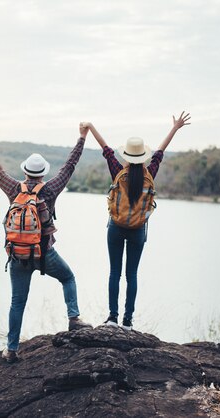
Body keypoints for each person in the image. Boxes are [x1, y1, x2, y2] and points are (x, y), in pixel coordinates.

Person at [0, 123, 93, 363]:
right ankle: (74, 319)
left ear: (25, 172)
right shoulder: (51, 188)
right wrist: (81, 137)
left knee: (17, 303)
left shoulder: (14, 188)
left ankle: (11, 349)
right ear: (43, 173)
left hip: (18, 256)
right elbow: (70, 165)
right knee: (68, 278)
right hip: (45, 254)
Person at [84, 112, 191, 330]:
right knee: (132, 275)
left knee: (115, 273)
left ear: (126, 156)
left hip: (115, 227)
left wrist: (90, 126)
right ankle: (128, 322)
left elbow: (105, 149)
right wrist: (175, 128)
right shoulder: (150, 171)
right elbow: (161, 152)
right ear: (143, 156)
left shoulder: (117, 171)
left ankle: (112, 318)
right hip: (138, 230)